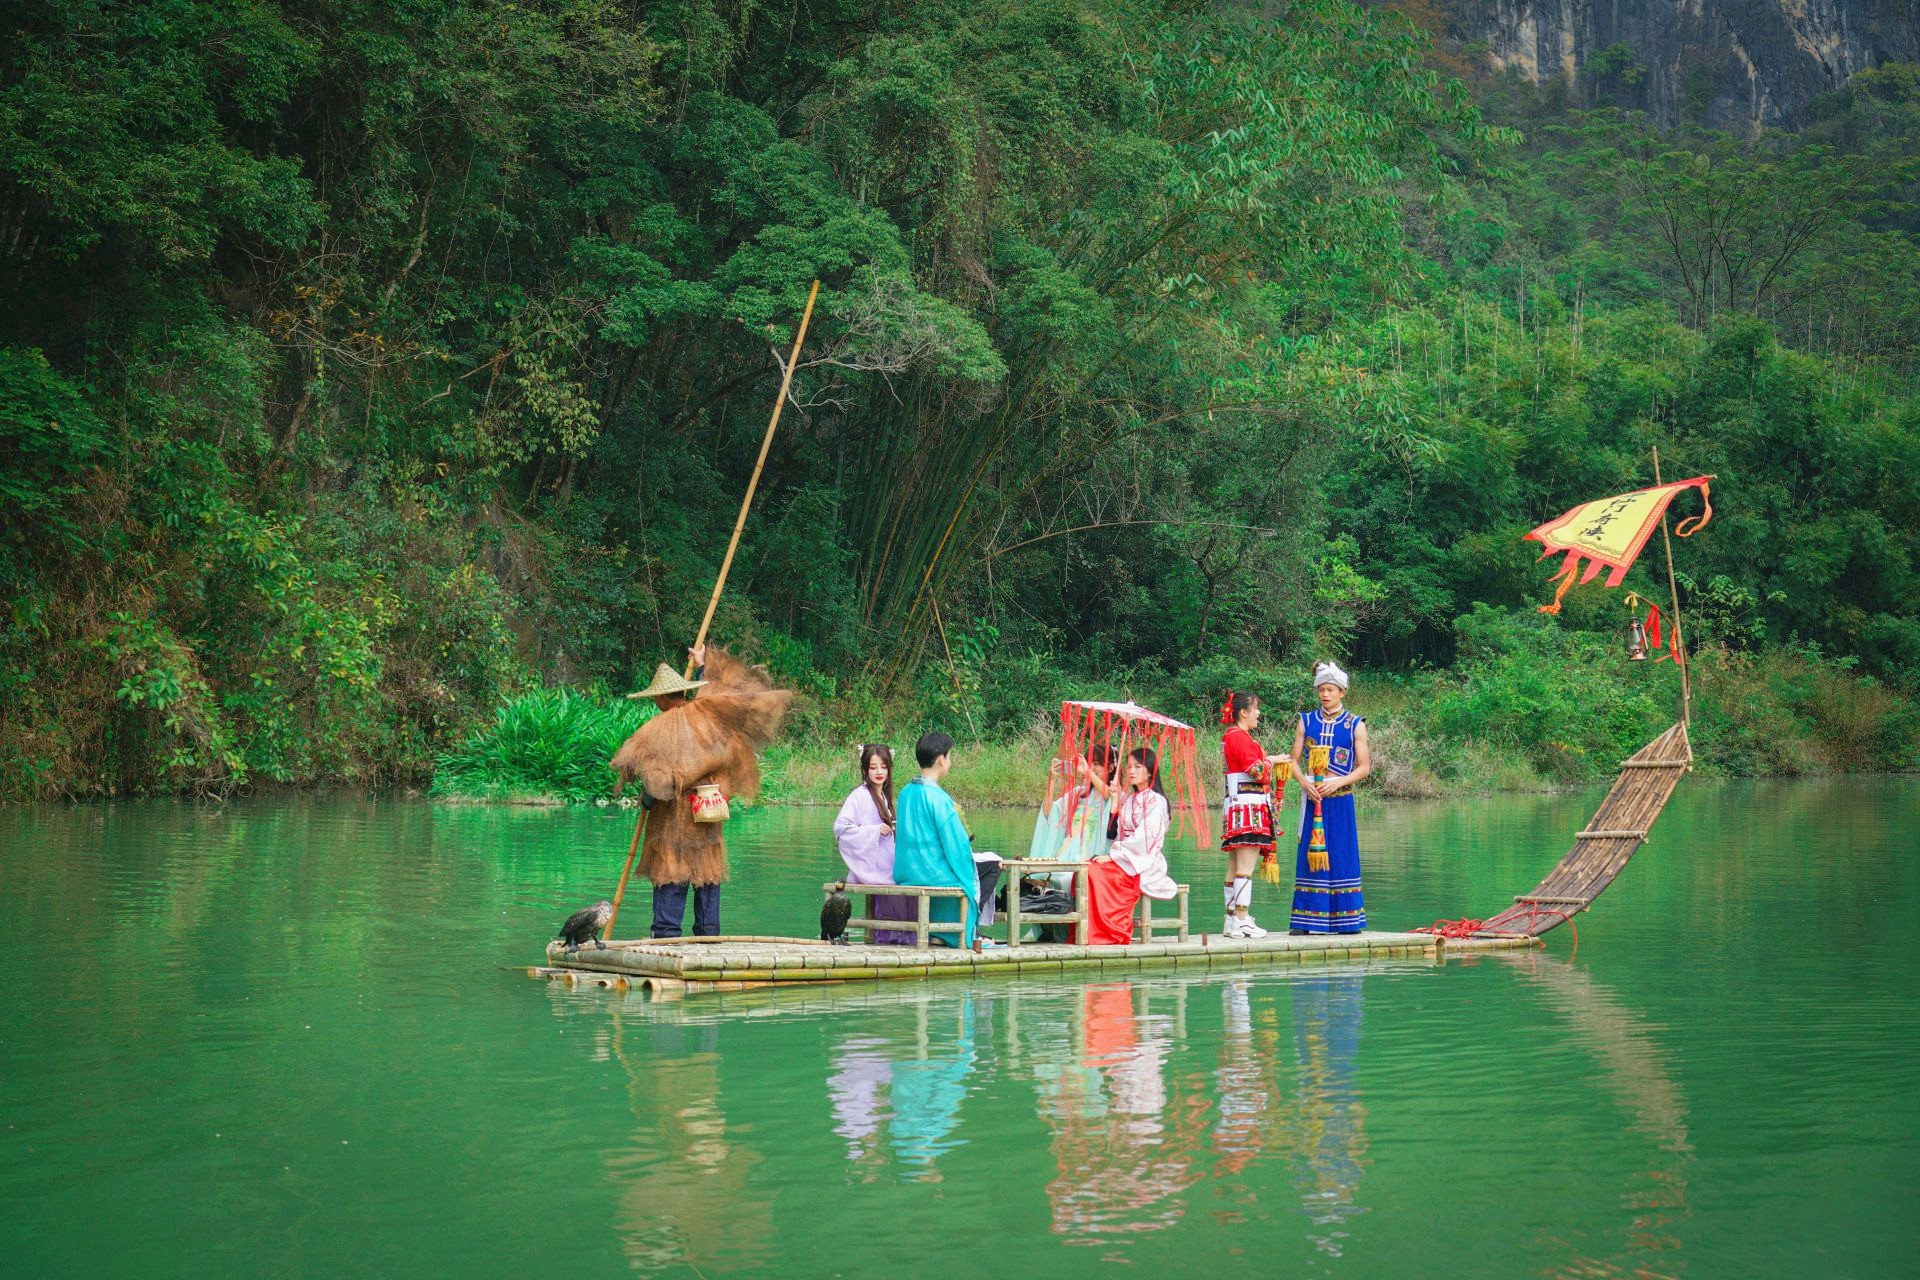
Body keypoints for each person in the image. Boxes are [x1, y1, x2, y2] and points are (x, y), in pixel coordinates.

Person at [608, 644, 794, 938]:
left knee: (670, 881)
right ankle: (709, 945)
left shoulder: (656, 728)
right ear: (683, 692)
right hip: (707, 819)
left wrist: (645, 797)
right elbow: (726, 692)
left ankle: (666, 945)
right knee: (707, 882)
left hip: (672, 827)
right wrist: (705, 663)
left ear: (658, 698)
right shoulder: (709, 715)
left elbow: (646, 776)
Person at [893, 732, 1000, 948]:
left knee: (972, 868)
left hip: (906, 871)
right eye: (949, 757)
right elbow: (957, 846)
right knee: (990, 868)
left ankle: (941, 930)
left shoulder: (905, 793)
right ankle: (969, 932)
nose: (950, 762)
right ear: (941, 759)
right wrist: (967, 864)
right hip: (932, 872)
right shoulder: (939, 799)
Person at [1287, 661, 1370, 935]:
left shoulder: (1355, 724)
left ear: (1342, 692)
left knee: (1342, 854)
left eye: (1331, 689)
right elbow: (1294, 761)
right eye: (1321, 689)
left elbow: (1364, 767)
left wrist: (1337, 783)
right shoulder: (1306, 721)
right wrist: (1304, 783)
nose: (1325, 694)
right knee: (1309, 856)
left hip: (1341, 799)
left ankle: (1347, 921)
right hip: (1313, 798)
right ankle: (1305, 921)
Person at [1084, 747, 1179, 945]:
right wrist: (1115, 803)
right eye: (1129, 767)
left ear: (1150, 771)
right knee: (1086, 869)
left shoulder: (1156, 801)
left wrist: (1113, 857)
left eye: (1138, 766)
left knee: (1096, 874)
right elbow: (1113, 834)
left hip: (1142, 862)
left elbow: (1144, 839)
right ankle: (1091, 931)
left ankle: (1111, 932)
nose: (1132, 771)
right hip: (1124, 858)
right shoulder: (1128, 799)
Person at [1220, 690, 1290, 939]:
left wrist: (1269, 759)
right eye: (1256, 708)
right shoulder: (1239, 737)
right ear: (1243, 712)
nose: (1258, 713)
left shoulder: (1231, 736)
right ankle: (1242, 919)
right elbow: (1257, 772)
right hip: (1248, 809)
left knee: (1235, 865)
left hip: (1237, 806)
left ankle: (1232, 920)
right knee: (1245, 867)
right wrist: (1271, 761)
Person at [835, 744, 915, 945]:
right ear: (865, 769)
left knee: (913, 878)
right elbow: (841, 829)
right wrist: (873, 830)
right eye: (873, 767)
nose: (879, 772)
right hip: (874, 866)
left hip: (887, 862)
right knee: (900, 883)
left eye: (884, 767)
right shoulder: (860, 795)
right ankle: (890, 936)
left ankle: (904, 935)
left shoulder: (884, 797)